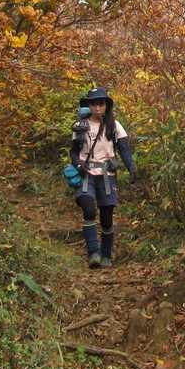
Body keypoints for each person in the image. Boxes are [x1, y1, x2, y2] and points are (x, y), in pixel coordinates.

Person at [69, 87, 135, 268]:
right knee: (88, 208)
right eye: (93, 104)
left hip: (107, 175)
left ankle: (106, 254)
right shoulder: (80, 126)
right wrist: (78, 165)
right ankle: (93, 253)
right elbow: (73, 152)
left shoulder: (114, 126)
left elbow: (124, 149)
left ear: (106, 105)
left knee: (107, 217)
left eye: (100, 103)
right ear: (89, 106)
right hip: (86, 174)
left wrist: (131, 168)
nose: (97, 107)